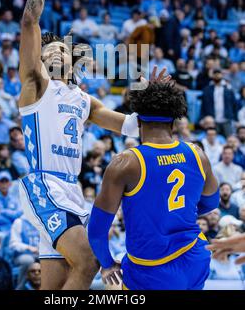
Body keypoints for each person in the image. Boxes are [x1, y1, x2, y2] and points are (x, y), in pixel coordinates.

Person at [18, 0, 170, 290]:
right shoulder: (36, 86)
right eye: (47, 52)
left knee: (55, 285)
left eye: (60, 51)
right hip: (44, 185)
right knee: (89, 262)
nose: (53, 53)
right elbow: (29, 22)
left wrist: (158, 100)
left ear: (72, 62)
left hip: (71, 192)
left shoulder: (85, 101)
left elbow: (131, 126)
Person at [88, 81, 219, 290]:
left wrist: (107, 264)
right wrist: (175, 212)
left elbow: (96, 231)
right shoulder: (197, 153)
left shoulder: (125, 163)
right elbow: (212, 202)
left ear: (138, 121)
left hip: (152, 269)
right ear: (174, 123)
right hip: (195, 258)